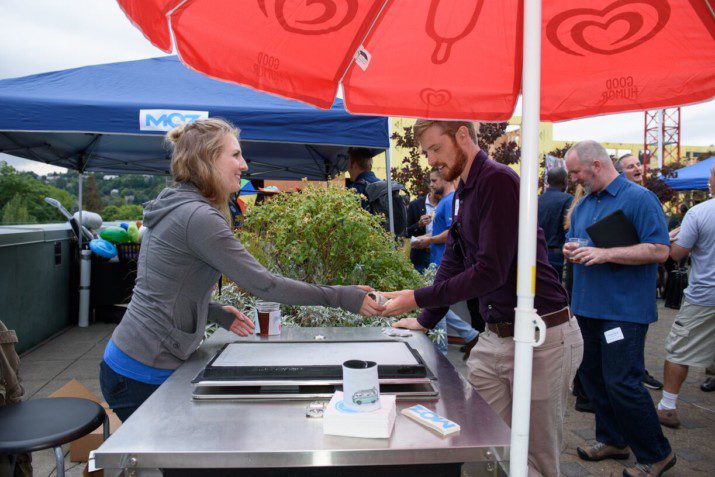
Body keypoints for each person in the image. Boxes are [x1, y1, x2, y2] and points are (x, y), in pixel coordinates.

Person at [100, 119, 384, 421]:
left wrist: (213, 311)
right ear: (208, 159)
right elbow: (266, 285)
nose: (244, 165)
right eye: (235, 155)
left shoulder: (176, 204)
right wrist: (343, 296)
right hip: (140, 371)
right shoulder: (197, 216)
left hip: (130, 358)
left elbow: (165, 284)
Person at [382, 119, 580, 476]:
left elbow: (491, 271)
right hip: (496, 337)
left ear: (461, 135)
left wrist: (415, 297)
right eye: (426, 152)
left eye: (435, 148)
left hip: (541, 336)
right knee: (476, 444)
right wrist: (425, 317)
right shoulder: (462, 191)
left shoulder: (499, 181)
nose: (430, 160)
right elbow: (455, 258)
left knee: (536, 458)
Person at [564, 140, 675, 477]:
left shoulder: (639, 199)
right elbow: (581, 242)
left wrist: (606, 254)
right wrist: (573, 248)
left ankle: (657, 453)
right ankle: (612, 439)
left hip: (622, 310)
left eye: (577, 172)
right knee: (593, 378)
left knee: (622, 382)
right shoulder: (584, 204)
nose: (574, 180)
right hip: (588, 307)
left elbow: (660, 251)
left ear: (596, 164)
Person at [657, 164, 715, 428]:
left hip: (704, 295)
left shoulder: (700, 212)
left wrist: (670, 238)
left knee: (679, 350)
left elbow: (676, 254)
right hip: (705, 294)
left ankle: (668, 406)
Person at [412, 175, 480, 359]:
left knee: (437, 300)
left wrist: (429, 239)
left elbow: (453, 232)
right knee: (437, 302)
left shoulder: (452, 200)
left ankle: (440, 352)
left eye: (435, 181)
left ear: (445, 179)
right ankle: (469, 335)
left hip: (445, 263)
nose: (431, 185)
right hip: (438, 261)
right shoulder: (446, 201)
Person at [617, 155, 664, 391]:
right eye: (630, 166)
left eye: (638, 164)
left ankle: (638, 369)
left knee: (624, 372)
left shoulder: (644, 198)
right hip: (617, 296)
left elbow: (659, 249)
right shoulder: (610, 201)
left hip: (635, 295)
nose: (637, 168)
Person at [538, 167, 573, 281]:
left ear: (548, 181)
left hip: (536, 253)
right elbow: (568, 228)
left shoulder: (536, 200)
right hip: (556, 257)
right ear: (565, 181)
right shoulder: (568, 200)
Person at [406, 170, 442, 273]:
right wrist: (419, 224)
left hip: (438, 253)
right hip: (420, 257)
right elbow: (407, 232)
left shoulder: (445, 203)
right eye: (432, 182)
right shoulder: (416, 205)